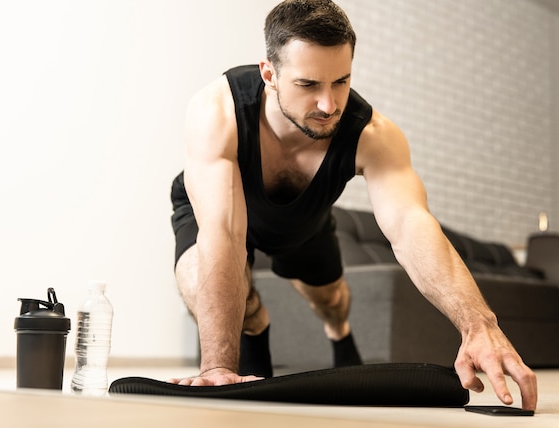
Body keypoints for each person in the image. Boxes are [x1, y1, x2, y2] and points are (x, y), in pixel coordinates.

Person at [169, 0, 537, 410]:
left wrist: (479, 325)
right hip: (214, 215)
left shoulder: (373, 134)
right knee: (208, 290)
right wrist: (217, 366)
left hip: (304, 221)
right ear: (269, 74)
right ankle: (255, 330)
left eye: (340, 81)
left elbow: (411, 225)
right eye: (308, 85)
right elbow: (223, 231)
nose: (329, 105)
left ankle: (339, 333)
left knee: (329, 302)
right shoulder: (217, 111)